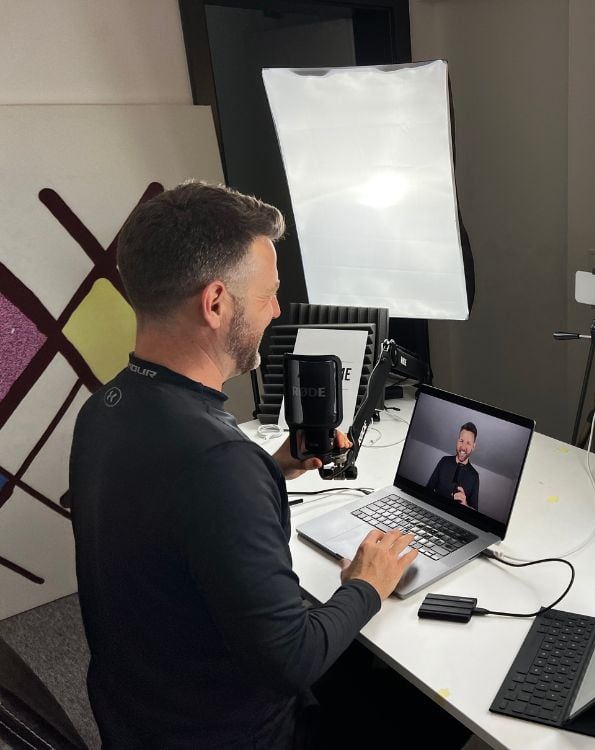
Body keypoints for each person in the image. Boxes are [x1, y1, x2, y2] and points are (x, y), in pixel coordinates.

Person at [68, 181, 419, 749]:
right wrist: (366, 585)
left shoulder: (107, 408)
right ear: (215, 303)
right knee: (425, 708)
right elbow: (294, 661)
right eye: (268, 295)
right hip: (237, 737)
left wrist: (270, 468)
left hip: (141, 717)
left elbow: (166, 511)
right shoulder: (218, 464)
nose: (277, 310)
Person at [426, 422, 480, 510]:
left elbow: (475, 511)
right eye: (461, 441)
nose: (463, 447)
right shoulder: (444, 461)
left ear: (473, 447)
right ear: (457, 441)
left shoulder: (475, 476)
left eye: (468, 443)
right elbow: (428, 489)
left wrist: (465, 505)